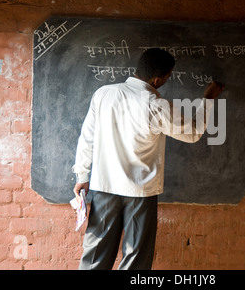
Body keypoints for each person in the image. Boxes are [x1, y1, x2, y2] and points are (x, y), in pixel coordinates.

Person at [72, 48, 224, 270]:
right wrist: (208, 99)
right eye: (168, 76)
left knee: (96, 254)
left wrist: (82, 175)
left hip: (105, 186)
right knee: (136, 257)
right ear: (157, 79)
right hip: (140, 191)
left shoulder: (104, 94)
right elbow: (193, 132)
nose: (167, 80)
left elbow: (87, 137)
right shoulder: (155, 105)